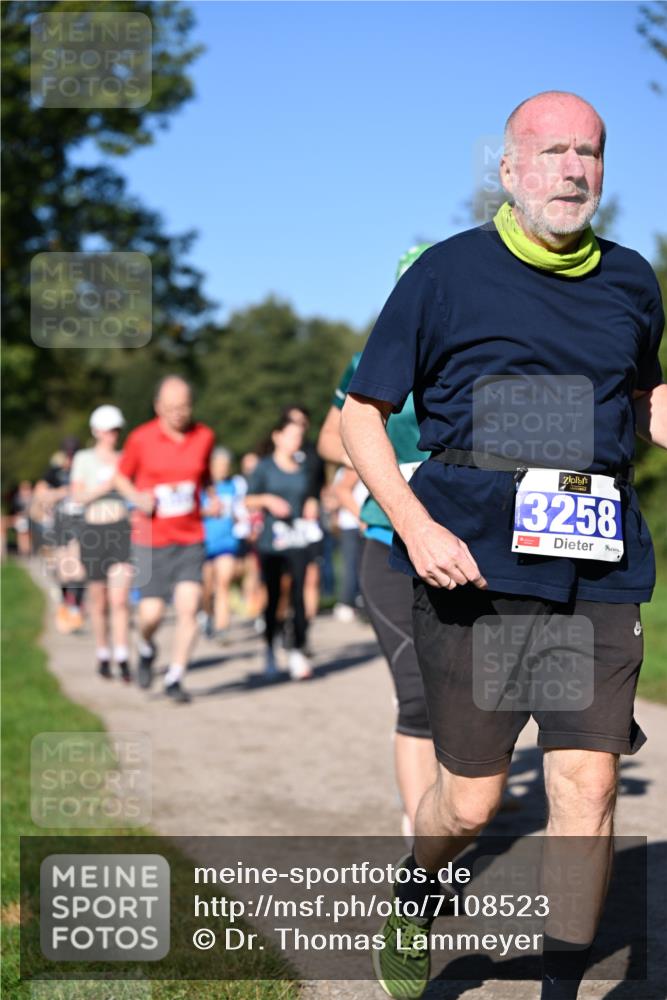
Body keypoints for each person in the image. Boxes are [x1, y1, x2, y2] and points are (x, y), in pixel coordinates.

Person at [341, 91, 666, 1000]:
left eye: (590, 153)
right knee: (473, 801)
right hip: (472, 564)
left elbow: (641, 401)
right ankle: (417, 890)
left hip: (595, 566)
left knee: (585, 784)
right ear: (510, 168)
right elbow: (364, 415)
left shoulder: (632, 280)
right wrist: (416, 524)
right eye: (554, 150)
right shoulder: (446, 275)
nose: (574, 169)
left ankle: (561, 982)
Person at [318, 245, 437, 841]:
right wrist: (385, 466)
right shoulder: (370, 360)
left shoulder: (476, 361)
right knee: (417, 698)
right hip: (387, 541)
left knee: (466, 695)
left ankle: (455, 802)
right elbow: (331, 438)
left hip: (461, 547)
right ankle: (423, 843)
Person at [114, 376, 217, 703]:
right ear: (158, 407)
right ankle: (146, 646)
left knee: (190, 608)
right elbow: (120, 477)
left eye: (184, 406)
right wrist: (137, 497)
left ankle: (175, 677)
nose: (178, 413)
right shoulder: (141, 439)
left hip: (190, 537)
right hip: (151, 539)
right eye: (172, 408)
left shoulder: (204, 436)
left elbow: (205, 479)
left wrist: (211, 499)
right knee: (151, 615)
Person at [245, 415, 321, 680]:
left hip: (298, 539)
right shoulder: (264, 467)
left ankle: (298, 650)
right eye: (290, 435)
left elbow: (312, 493)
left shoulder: (305, 467)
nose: (295, 441)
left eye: (299, 436)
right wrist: (267, 499)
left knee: (299, 595)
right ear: (277, 436)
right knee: (275, 597)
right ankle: (269, 649)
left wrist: (313, 502)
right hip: (271, 543)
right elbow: (247, 500)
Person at [70, 405, 132, 681]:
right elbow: (78, 497)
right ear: (97, 431)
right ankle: (103, 652)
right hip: (93, 531)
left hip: (120, 530)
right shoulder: (84, 458)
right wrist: (107, 487)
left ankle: (122, 655)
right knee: (100, 599)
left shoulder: (126, 457)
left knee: (120, 599)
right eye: (109, 430)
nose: (113, 435)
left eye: (116, 430)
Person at [281, 405, 326, 622]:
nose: (299, 426)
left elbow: (322, 485)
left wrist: (318, 501)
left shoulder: (314, 453)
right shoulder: (274, 456)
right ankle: (284, 620)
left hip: (310, 523)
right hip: (283, 523)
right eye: (293, 421)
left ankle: (304, 629)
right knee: (286, 579)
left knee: (311, 575)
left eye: (302, 421)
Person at [200, 447, 246, 642]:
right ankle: (207, 614)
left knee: (224, 582)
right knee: (207, 586)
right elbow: (192, 512)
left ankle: (222, 627)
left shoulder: (234, 486)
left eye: (226, 465)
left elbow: (240, 510)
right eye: (219, 465)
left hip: (227, 542)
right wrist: (208, 511)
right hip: (204, 542)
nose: (223, 469)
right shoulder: (201, 487)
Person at [41, 439, 86, 634]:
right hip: (60, 524)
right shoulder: (55, 473)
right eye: (68, 454)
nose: (71, 458)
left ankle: (75, 608)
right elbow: (42, 495)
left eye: (74, 453)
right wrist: (61, 492)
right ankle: (65, 604)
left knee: (78, 570)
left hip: (81, 523)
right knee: (64, 572)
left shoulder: (84, 471)